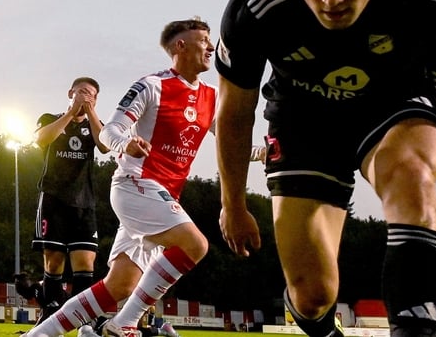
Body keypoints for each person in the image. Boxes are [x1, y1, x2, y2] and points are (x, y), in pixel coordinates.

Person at [214, 0, 436, 337]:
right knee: (312, 296)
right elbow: (233, 112)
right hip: (302, 121)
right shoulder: (255, 6)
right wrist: (233, 203)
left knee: (413, 176)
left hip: (395, 107)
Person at [24, 17, 265, 337]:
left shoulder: (209, 96)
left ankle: (38, 335)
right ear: (180, 45)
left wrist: (263, 152)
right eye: (204, 40)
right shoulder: (152, 85)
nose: (210, 47)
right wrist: (126, 144)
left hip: (161, 196)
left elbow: (230, 145)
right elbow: (110, 131)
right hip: (135, 184)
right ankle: (124, 323)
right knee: (196, 244)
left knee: (119, 285)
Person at [17, 77, 109, 324]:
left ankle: (82, 320)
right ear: (70, 93)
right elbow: (41, 139)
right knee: (54, 259)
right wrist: (71, 112)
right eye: (81, 92)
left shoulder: (96, 125)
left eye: (91, 94)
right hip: (54, 199)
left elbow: (105, 146)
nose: (85, 97)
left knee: (85, 261)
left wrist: (91, 112)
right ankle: (49, 313)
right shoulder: (51, 118)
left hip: (84, 202)